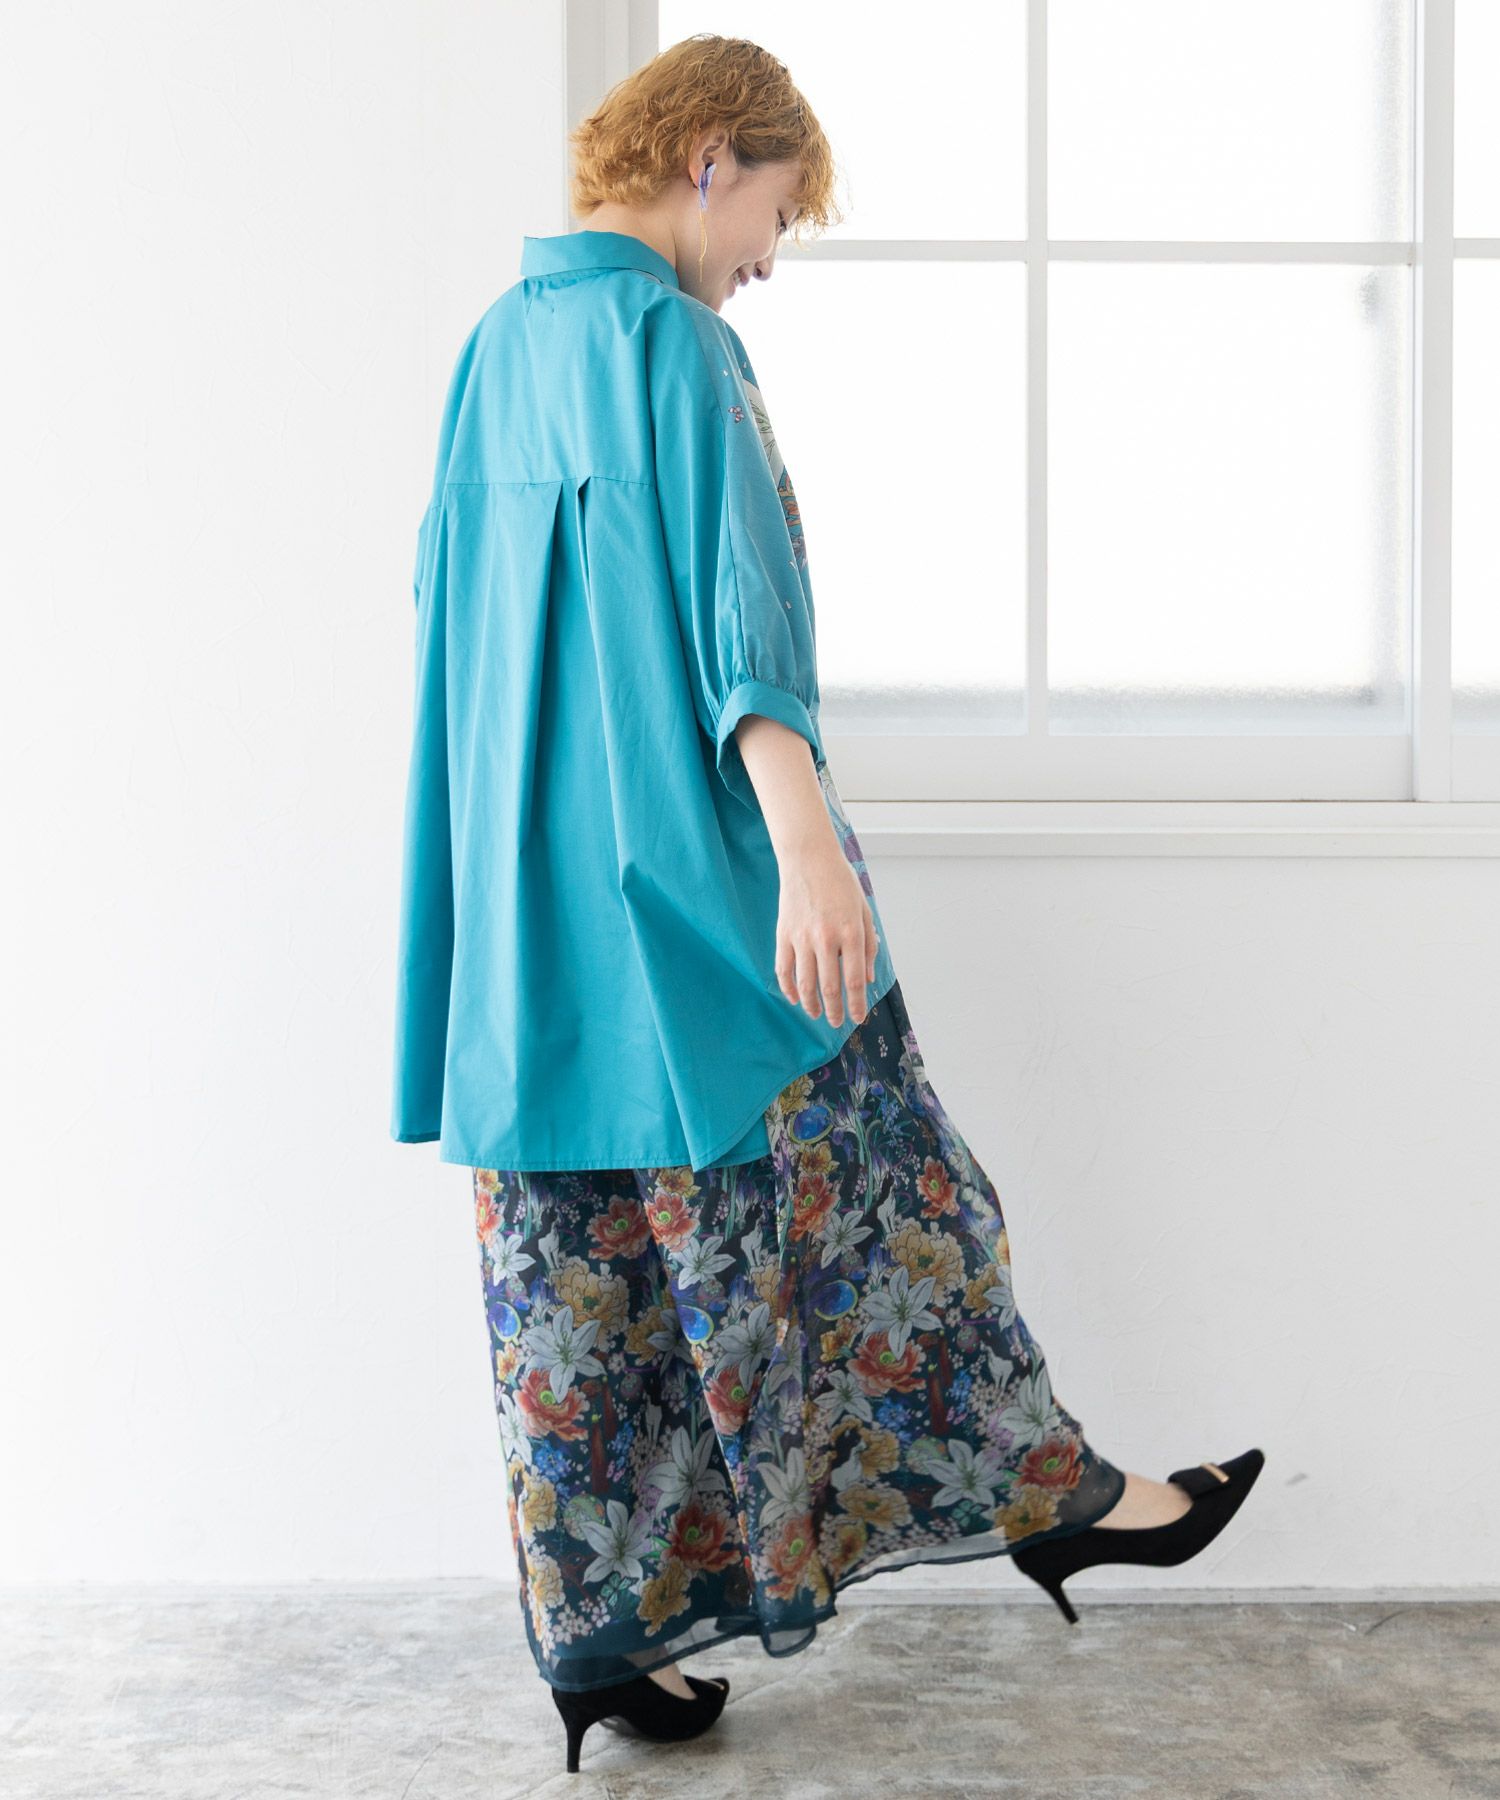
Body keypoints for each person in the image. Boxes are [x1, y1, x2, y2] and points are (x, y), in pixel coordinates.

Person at [390, 33, 1265, 1777]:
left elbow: (451, 624)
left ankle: (597, 1648)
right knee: (894, 1202)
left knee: (577, 1284)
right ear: (711, 157)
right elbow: (743, 614)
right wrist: (799, 841)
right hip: (693, 905)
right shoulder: (675, 345)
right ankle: (1065, 1501)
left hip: (526, 922)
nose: (769, 259)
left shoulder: (493, 349)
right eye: (779, 215)